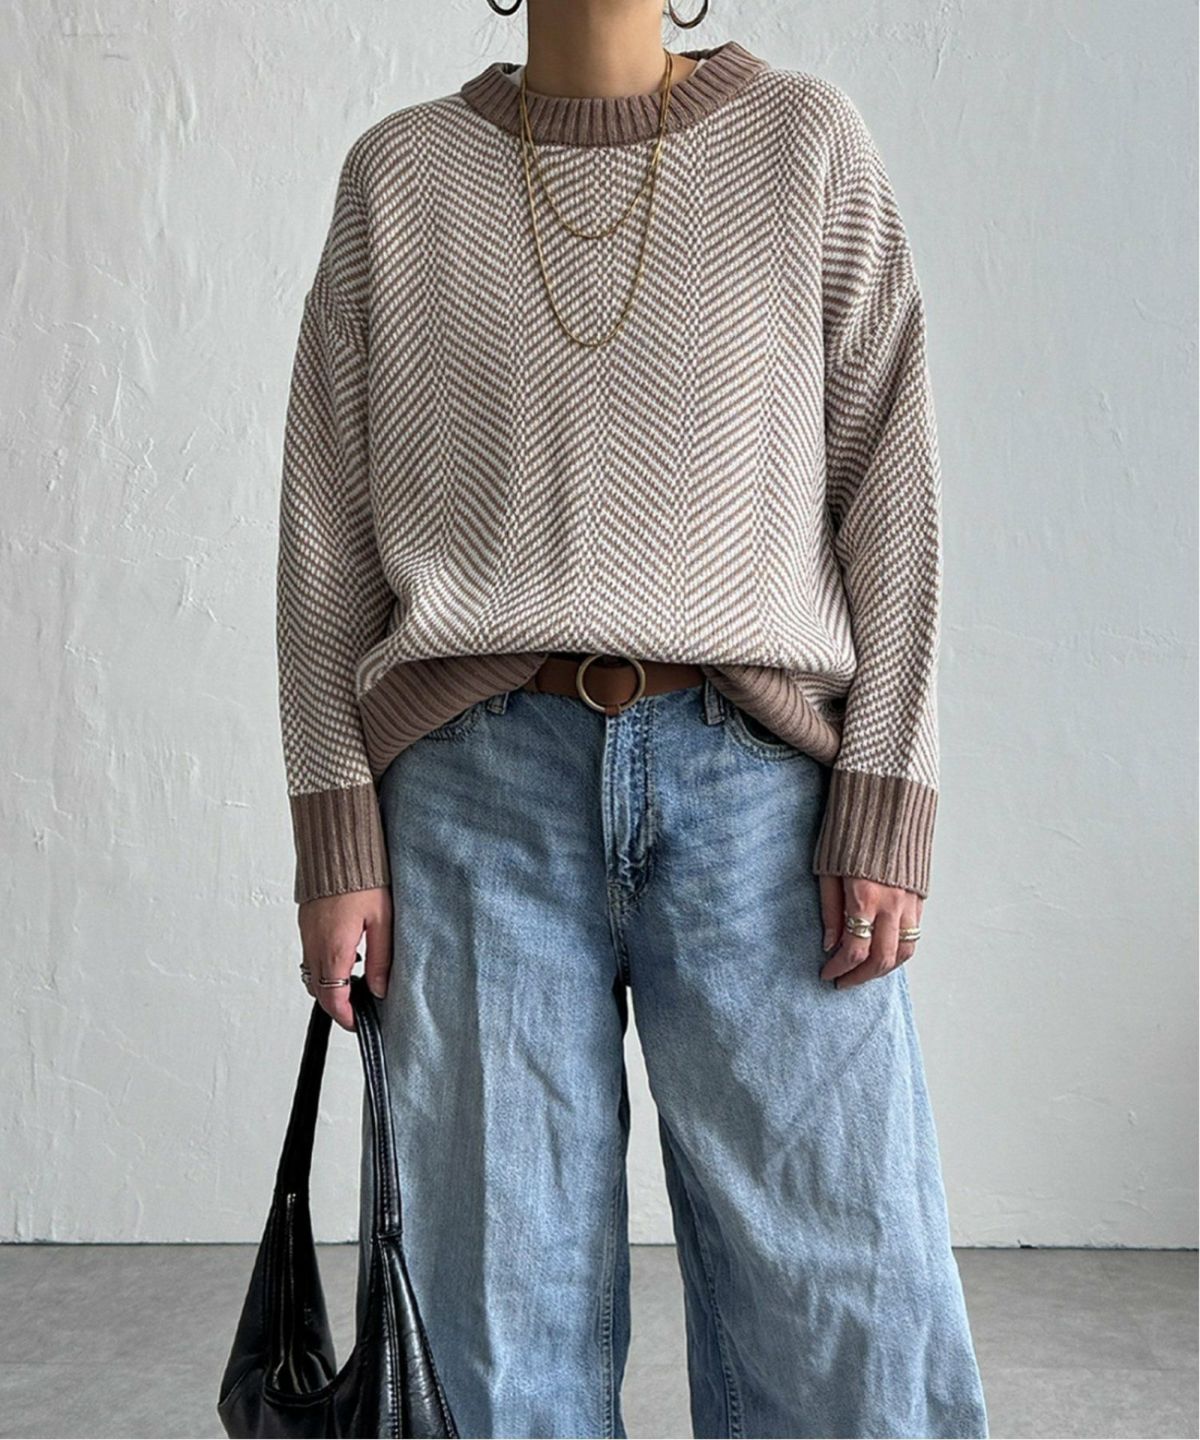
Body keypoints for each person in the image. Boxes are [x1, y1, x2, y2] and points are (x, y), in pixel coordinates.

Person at [275, 1, 989, 1435]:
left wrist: (887, 796)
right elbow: (325, 529)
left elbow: (890, 493)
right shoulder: (400, 176)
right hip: (471, 799)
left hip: (760, 799)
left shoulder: (805, 146)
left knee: (845, 1301)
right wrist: (335, 830)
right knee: (492, 1326)